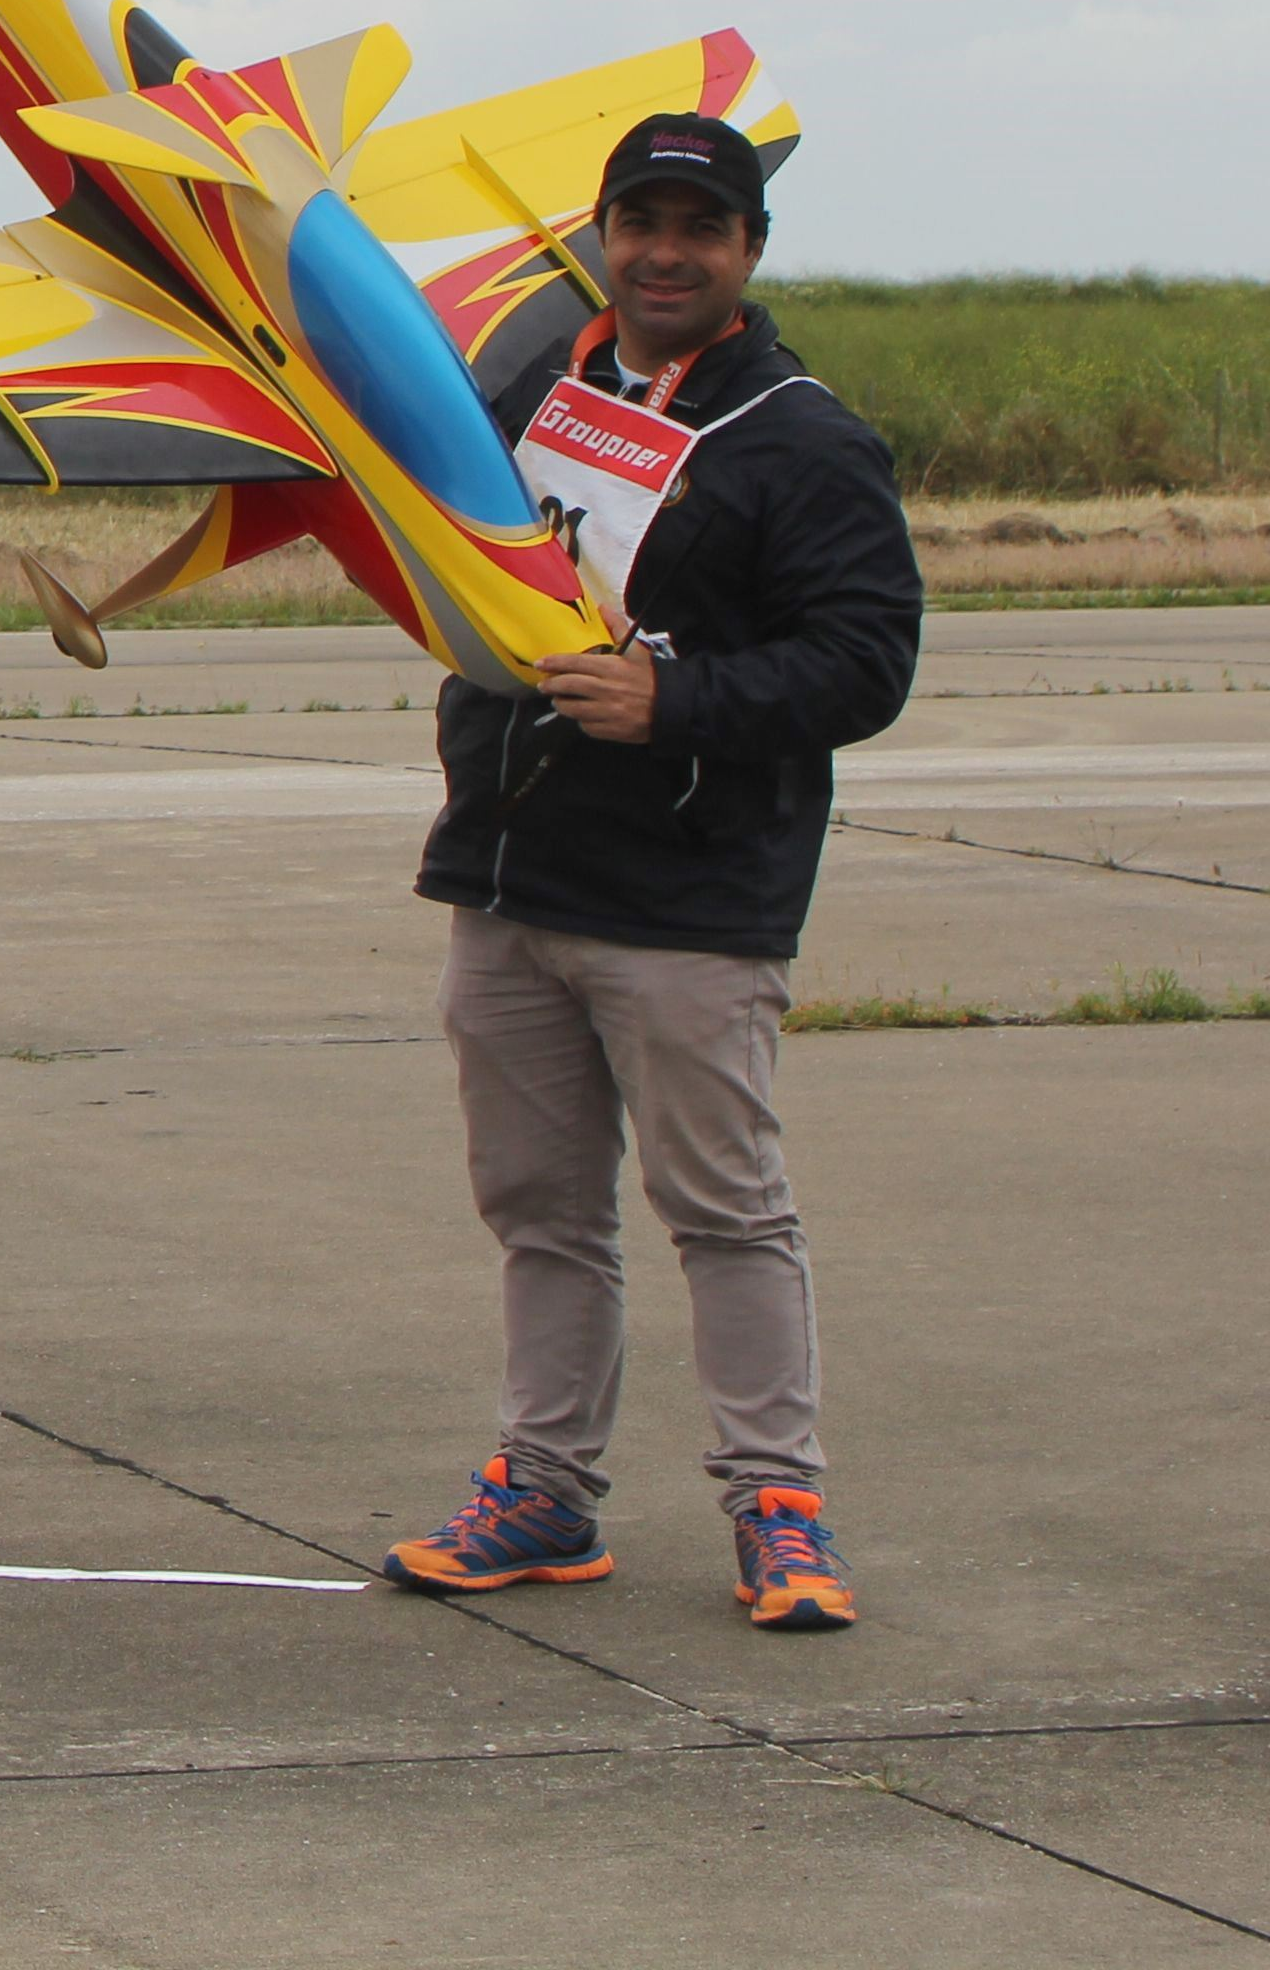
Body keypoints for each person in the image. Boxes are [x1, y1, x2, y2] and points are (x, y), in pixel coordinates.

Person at [384, 110, 919, 1632]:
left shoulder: (802, 437)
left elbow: (866, 663)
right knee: (540, 1209)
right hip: (509, 881)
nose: (665, 254)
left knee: (725, 1210)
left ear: (748, 251)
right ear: (599, 237)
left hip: (690, 902)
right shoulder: (525, 392)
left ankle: (780, 1510)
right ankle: (544, 1494)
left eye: (701, 229)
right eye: (640, 223)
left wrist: (674, 702)